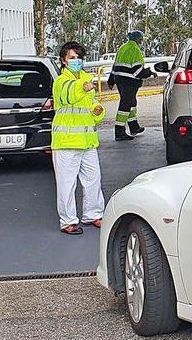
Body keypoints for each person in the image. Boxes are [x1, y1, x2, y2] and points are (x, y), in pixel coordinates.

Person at [52, 41, 106, 235]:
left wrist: (98, 111)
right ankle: (68, 221)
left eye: (79, 58)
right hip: (66, 142)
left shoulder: (87, 80)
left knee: (93, 179)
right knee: (67, 184)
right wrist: (83, 87)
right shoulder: (61, 82)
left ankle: (93, 214)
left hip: (87, 141)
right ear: (63, 61)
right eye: (72, 58)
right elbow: (69, 95)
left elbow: (92, 105)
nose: (76, 61)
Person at [108, 30, 152, 141]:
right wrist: (149, 72)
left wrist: (111, 80)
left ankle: (134, 127)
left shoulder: (122, 48)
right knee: (125, 106)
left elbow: (115, 65)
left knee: (131, 103)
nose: (142, 42)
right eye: (141, 39)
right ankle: (120, 132)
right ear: (138, 40)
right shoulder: (135, 50)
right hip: (129, 82)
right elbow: (137, 71)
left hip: (119, 80)